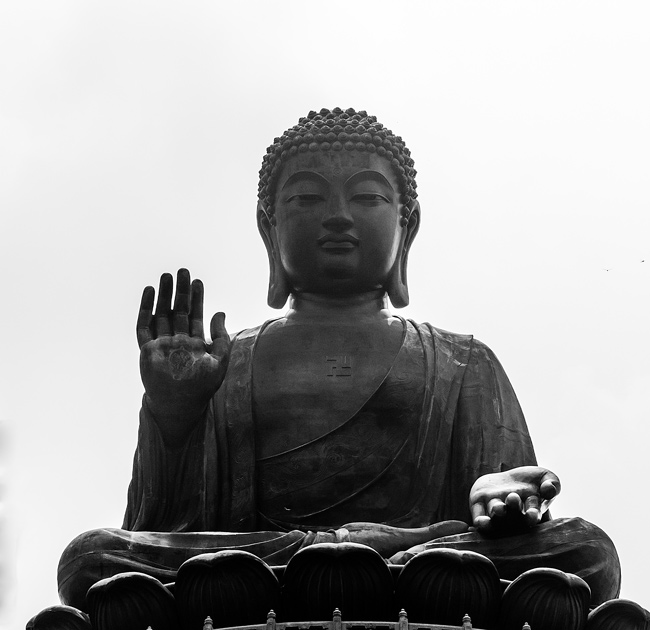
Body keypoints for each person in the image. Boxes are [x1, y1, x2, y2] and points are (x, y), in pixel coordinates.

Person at [58, 108, 620, 611]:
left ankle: (372, 563)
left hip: (419, 558)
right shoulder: (227, 364)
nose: (337, 216)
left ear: (408, 225)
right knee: (91, 559)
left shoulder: (463, 362)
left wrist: (501, 501)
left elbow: (512, 513)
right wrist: (173, 414)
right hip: (267, 564)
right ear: (267, 227)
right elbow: (161, 527)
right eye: (306, 198)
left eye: (367, 197)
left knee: (586, 550)